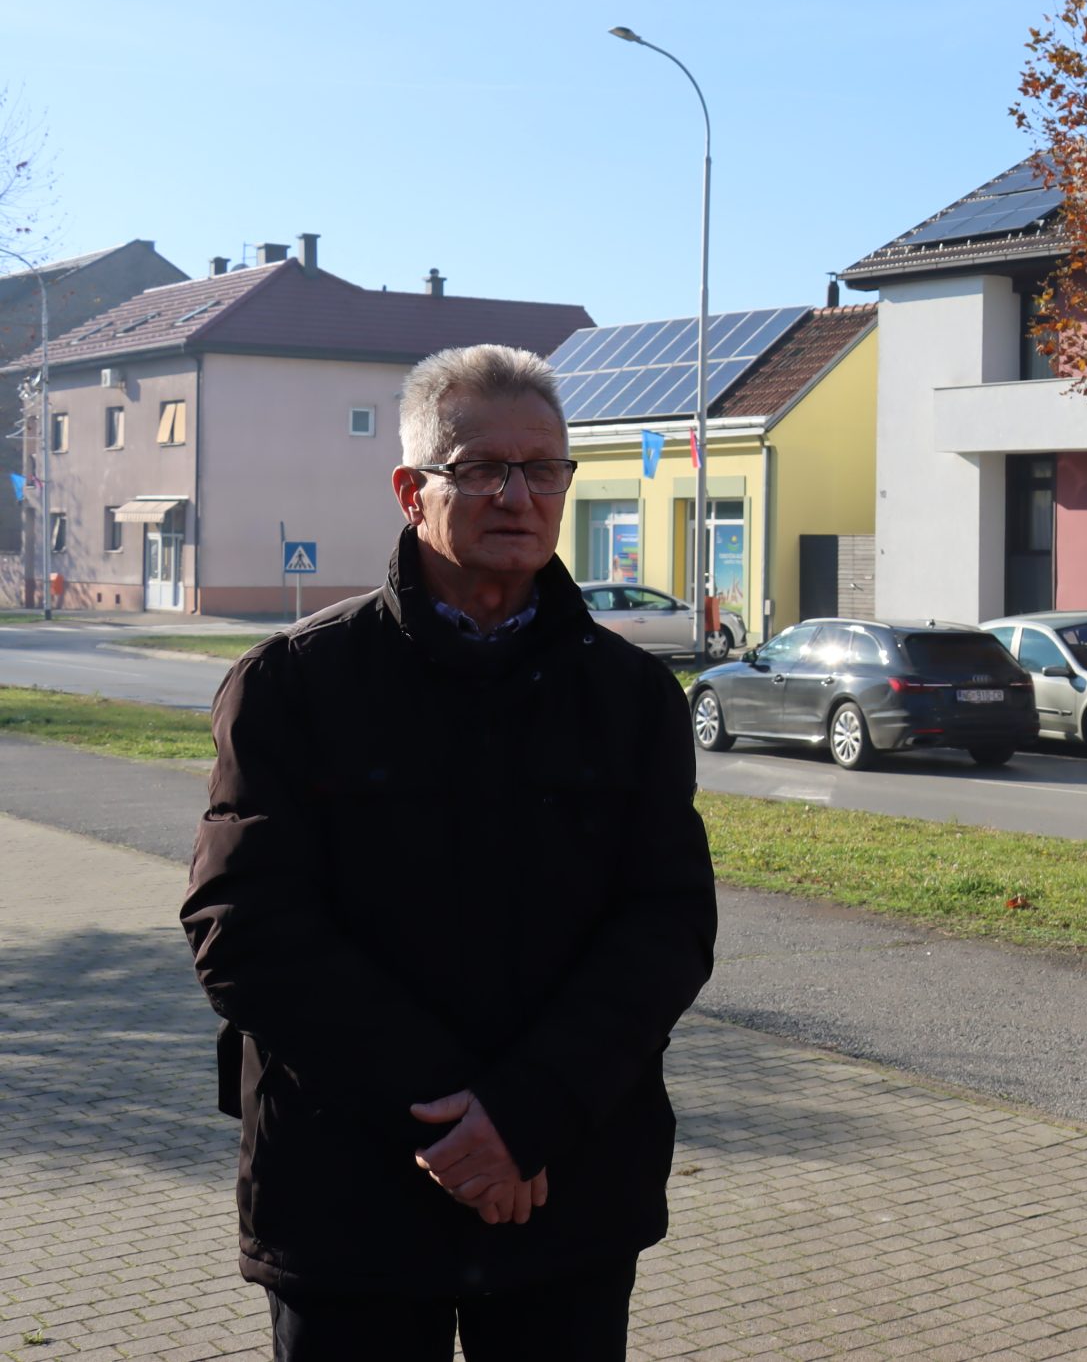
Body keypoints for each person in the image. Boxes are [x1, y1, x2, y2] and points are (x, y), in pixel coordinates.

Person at [180, 344, 718, 1361]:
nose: (518, 495)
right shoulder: (293, 684)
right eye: (481, 469)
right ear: (409, 491)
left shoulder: (632, 698)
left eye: (543, 468)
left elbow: (668, 925)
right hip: (350, 1198)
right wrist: (453, 1125)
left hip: (563, 1190)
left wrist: (525, 1116)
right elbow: (243, 928)